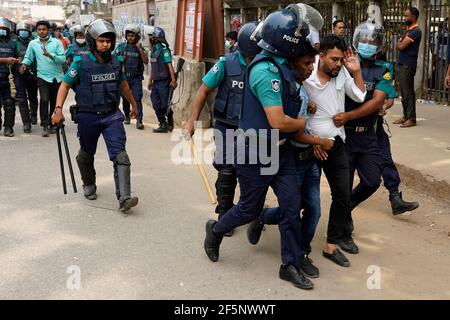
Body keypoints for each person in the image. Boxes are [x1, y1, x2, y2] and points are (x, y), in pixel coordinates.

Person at [204, 5, 324, 290]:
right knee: (248, 209)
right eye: (300, 35)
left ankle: (290, 264)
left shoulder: (284, 66)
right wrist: (303, 121)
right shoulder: (265, 70)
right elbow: (278, 120)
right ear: (287, 40)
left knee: (292, 207)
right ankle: (216, 229)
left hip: (280, 151)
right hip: (256, 151)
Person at [246, 40, 333, 279]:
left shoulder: (303, 89)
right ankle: (291, 254)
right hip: (292, 157)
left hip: (309, 160)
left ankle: (299, 254)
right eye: (306, 63)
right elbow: (291, 129)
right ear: (293, 61)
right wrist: (319, 141)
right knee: (291, 210)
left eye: (312, 64)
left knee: (312, 210)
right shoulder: (282, 86)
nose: (310, 69)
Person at [51, 19, 139, 212]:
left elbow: (123, 85)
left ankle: (124, 197)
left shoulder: (116, 61)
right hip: (88, 117)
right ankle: (88, 183)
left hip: (111, 116)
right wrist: (58, 110)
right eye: (101, 40)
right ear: (93, 41)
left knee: (121, 156)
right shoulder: (80, 62)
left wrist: (134, 104)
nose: (106, 44)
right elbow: (65, 85)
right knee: (86, 154)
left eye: (108, 40)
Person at [184, 22, 262, 237]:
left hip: (253, 130)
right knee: (228, 169)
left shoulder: (265, 65)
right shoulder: (226, 63)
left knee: (253, 171)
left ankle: (247, 210)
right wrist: (192, 121)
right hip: (227, 126)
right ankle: (226, 214)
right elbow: (203, 90)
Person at [332, 19, 396, 254]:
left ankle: (343, 209)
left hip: (368, 135)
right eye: (365, 40)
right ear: (357, 40)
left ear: (379, 44)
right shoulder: (344, 61)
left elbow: (378, 101)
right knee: (343, 185)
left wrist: (349, 116)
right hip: (344, 136)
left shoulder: (384, 68)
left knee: (371, 181)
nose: (369, 44)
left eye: (373, 41)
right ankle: (343, 233)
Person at [302, 34, 366, 267]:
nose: (338, 64)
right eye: (334, 59)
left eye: (341, 60)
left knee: (342, 196)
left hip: (336, 144)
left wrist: (356, 71)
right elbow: (294, 109)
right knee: (307, 202)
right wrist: (314, 140)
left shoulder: (342, 73)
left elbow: (359, 96)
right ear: (322, 56)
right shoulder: (305, 74)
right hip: (309, 145)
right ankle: (298, 245)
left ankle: (331, 245)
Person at [20, 20, 65, 137]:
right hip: (42, 76)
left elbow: (62, 59)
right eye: (39, 29)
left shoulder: (57, 43)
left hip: (57, 77)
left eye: (44, 29)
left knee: (54, 101)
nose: (41, 31)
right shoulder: (33, 44)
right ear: (36, 31)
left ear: (48, 30)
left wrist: (51, 55)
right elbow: (28, 57)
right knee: (44, 99)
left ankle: (53, 124)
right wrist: (24, 64)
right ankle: (45, 125)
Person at [378, 97, 419, 215]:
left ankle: (395, 197)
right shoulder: (347, 78)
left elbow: (390, 97)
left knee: (387, 160)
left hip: (377, 127)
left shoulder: (382, 78)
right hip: (354, 130)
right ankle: (345, 209)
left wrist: (383, 107)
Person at [115, 24, 148, 129]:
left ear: (137, 36)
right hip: (124, 78)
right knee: (125, 98)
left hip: (136, 78)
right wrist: (121, 58)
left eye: (132, 35)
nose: (130, 37)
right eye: (128, 35)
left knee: (137, 98)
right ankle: (127, 116)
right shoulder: (121, 47)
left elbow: (146, 61)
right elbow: (114, 59)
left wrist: (139, 49)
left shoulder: (140, 47)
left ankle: (139, 120)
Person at [394, 7, 422, 128]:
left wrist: (400, 44)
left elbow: (401, 46)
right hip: (402, 63)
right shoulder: (407, 31)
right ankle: (406, 116)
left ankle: (412, 118)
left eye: (407, 16)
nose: (404, 18)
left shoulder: (416, 31)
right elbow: (398, 45)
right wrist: (400, 44)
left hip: (408, 65)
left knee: (408, 92)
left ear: (414, 17)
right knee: (403, 92)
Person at [147, 27, 177, 133]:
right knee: (155, 104)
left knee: (165, 104)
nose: (150, 38)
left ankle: (169, 117)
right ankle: (162, 123)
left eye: (152, 37)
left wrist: (173, 80)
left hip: (164, 82)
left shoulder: (164, 50)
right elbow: (153, 67)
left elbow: (170, 65)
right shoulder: (153, 50)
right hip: (155, 82)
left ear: (157, 38)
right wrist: (150, 80)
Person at [15, 21, 38, 132]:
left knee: (33, 96)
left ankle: (33, 114)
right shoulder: (14, 42)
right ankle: (26, 123)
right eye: (21, 31)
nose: (23, 32)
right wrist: (17, 61)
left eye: (25, 31)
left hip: (32, 73)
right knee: (22, 99)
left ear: (29, 32)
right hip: (19, 74)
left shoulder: (34, 42)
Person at [0, 17, 19, 137]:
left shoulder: (13, 44)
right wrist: (5, 60)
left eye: (4, 29)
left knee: (9, 104)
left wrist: (19, 61)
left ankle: (8, 127)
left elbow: (19, 57)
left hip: (9, 79)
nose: (2, 31)